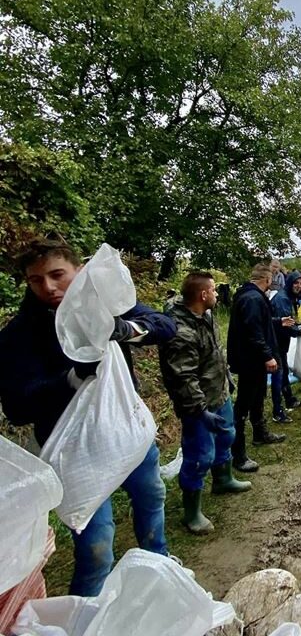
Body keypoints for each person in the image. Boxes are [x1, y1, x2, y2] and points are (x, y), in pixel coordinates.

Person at [0, 238, 177, 596]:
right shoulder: (18, 336)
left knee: (151, 498)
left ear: (79, 270)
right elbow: (17, 408)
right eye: (36, 280)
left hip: (127, 435)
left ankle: (158, 572)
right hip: (75, 453)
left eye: (57, 274)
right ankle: (87, 611)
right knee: (97, 545)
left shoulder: (102, 305)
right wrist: (69, 380)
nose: (48, 287)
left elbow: (164, 325)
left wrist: (126, 330)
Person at [159, 272, 251, 535]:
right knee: (200, 456)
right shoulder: (181, 331)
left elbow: (214, 352)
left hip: (218, 392)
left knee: (227, 436)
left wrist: (226, 381)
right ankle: (192, 513)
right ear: (202, 295)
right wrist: (199, 410)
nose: (216, 293)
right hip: (197, 403)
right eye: (212, 290)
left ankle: (223, 479)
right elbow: (183, 376)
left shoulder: (205, 316)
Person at [228, 263, 290, 472]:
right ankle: (239, 454)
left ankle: (260, 434)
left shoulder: (249, 296)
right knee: (243, 404)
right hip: (251, 360)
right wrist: (267, 356)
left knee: (257, 397)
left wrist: (280, 321)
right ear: (266, 279)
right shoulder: (253, 298)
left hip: (252, 359)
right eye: (271, 279)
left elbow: (261, 322)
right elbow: (253, 331)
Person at [270, 271, 301, 419]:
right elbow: (283, 324)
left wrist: (297, 325)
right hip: (275, 342)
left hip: (280, 343)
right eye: (296, 283)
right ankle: (277, 411)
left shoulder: (288, 297)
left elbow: (287, 320)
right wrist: (297, 331)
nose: (299, 286)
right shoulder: (282, 299)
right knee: (278, 375)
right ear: (290, 283)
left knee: (283, 373)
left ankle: (289, 400)